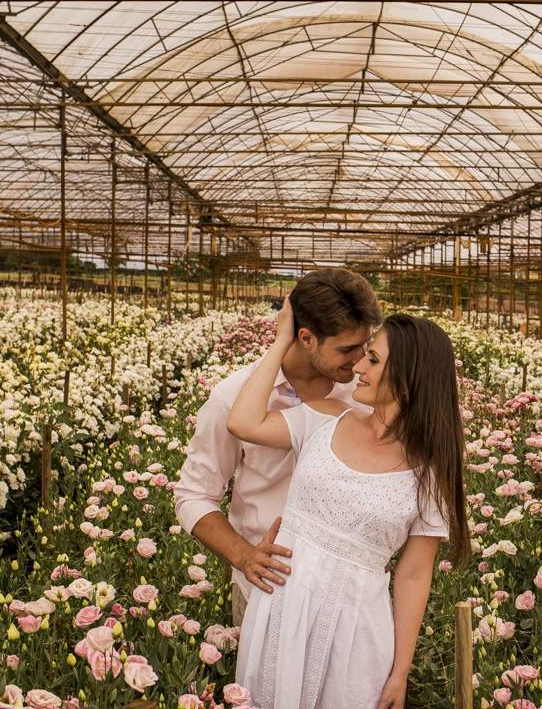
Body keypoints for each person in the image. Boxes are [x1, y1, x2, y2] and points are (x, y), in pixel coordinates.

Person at [227, 300, 469, 709]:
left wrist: (400, 671)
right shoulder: (326, 418)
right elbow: (243, 421)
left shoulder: (430, 473)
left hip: (357, 631)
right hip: (283, 608)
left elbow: (413, 575)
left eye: (373, 359)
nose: (358, 367)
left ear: (408, 378)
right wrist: (283, 338)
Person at [174, 268, 381, 625]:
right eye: (347, 349)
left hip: (346, 596)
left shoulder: (364, 395)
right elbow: (193, 495)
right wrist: (244, 556)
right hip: (265, 589)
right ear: (305, 337)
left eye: (365, 345)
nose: (360, 359)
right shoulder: (234, 399)